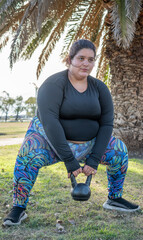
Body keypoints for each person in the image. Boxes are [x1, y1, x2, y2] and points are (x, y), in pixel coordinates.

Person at [3, 39, 140, 226]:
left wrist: (93, 160)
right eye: (81, 58)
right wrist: (69, 160)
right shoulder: (53, 85)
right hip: (49, 143)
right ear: (70, 59)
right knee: (27, 154)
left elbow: (107, 124)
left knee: (120, 151)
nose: (86, 63)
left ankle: (114, 198)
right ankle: (18, 208)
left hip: (89, 144)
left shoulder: (100, 88)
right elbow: (50, 123)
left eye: (91, 59)